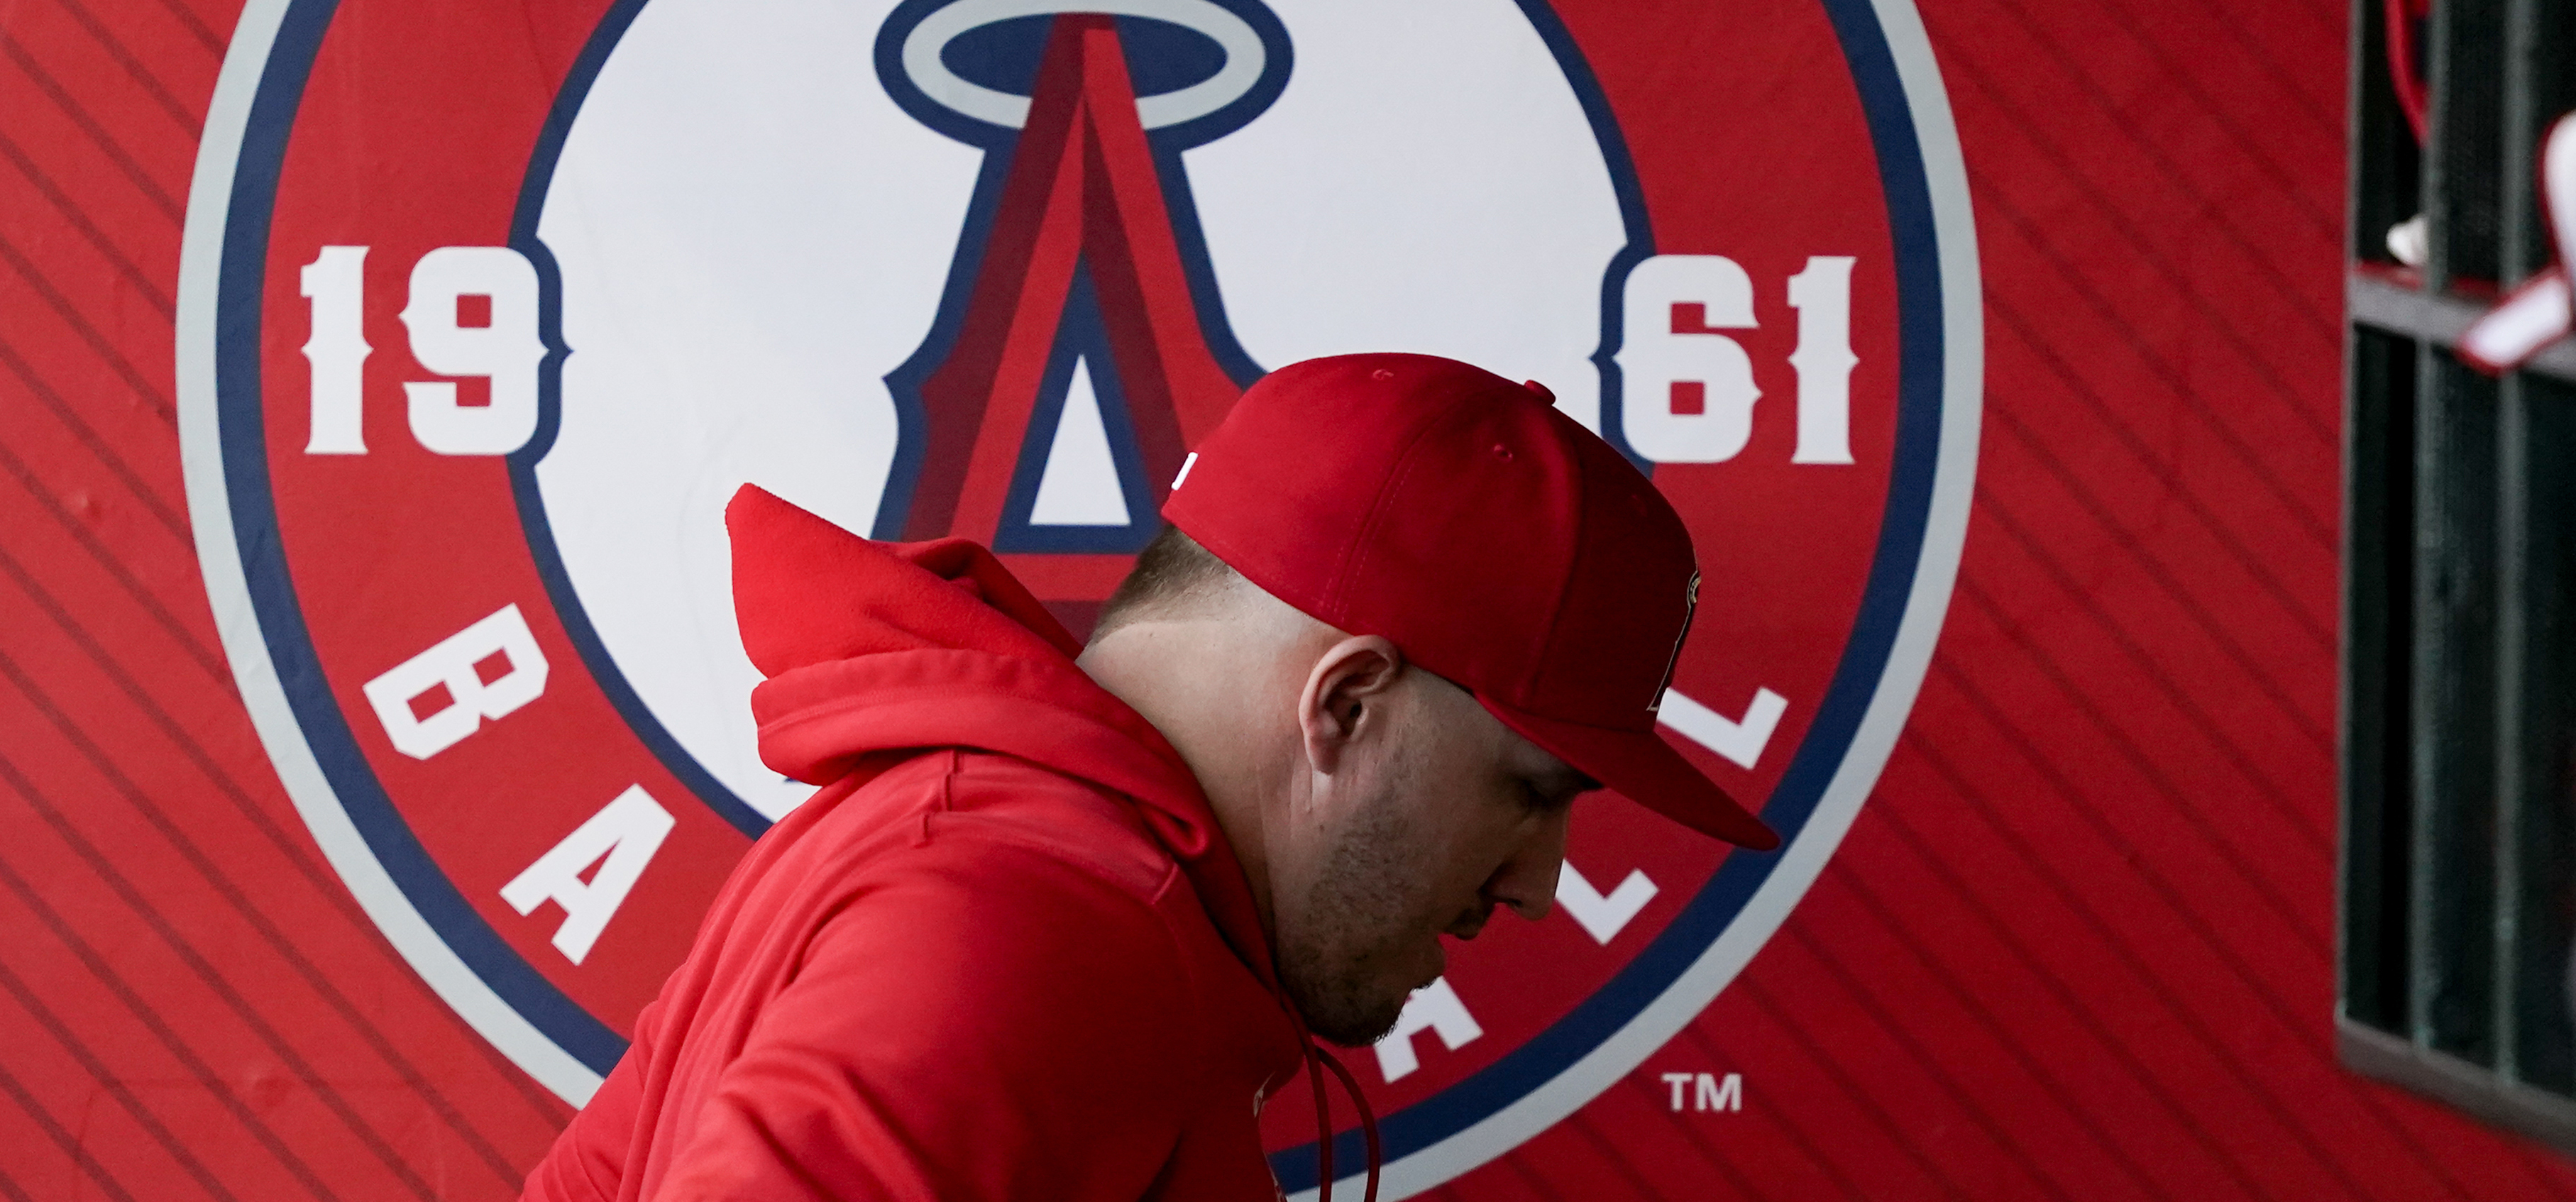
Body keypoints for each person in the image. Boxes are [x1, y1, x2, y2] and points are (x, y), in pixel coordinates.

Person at [522, 353, 1778, 1202]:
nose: (1538, 886)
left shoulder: (931, 827)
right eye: (1531, 790)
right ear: (1344, 702)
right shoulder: (1045, 922)